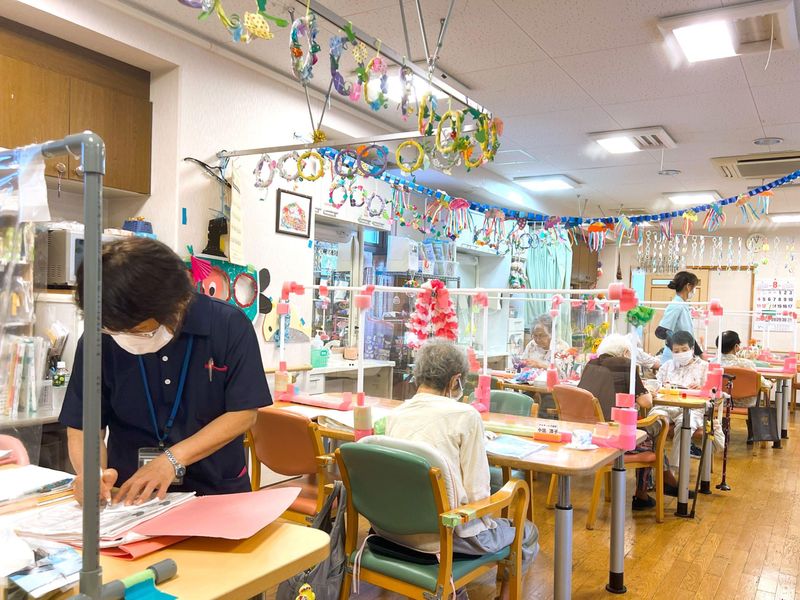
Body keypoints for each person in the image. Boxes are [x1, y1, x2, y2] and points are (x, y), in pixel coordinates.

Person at [60, 238, 271, 506]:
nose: (123, 338)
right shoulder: (101, 338)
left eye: (137, 331)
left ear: (178, 304)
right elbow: (84, 424)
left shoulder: (228, 325)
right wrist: (92, 473)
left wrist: (172, 459)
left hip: (215, 491)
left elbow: (244, 413)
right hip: (131, 494)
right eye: (112, 330)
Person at [384, 339, 538, 568]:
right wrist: (489, 524)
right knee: (528, 531)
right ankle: (504, 585)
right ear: (455, 380)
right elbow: (477, 491)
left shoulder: (396, 415)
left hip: (392, 531)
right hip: (448, 535)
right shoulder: (466, 416)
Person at [577, 334, 682, 508]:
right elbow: (646, 402)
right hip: (614, 436)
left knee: (651, 433)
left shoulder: (591, 364)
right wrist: (648, 392)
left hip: (590, 433)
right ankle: (645, 492)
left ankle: (664, 482)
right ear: (626, 352)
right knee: (655, 432)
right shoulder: (626, 364)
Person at [648, 331, 710, 470]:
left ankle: (674, 469)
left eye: (684, 349)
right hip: (666, 406)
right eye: (676, 351)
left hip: (692, 409)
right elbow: (655, 385)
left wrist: (702, 388)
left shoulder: (704, 367)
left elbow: (712, 393)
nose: (680, 353)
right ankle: (654, 466)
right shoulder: (667, 366)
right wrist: (656, 389)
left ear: (692, 348)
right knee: (653, 421)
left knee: (684, 426)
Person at [655, 271, 699, 362]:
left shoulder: (683, 305)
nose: (695, 290)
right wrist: (678, 346)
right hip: (674, 357)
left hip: (683, 355)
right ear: (688, 286)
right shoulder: (676, 305)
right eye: (694, 287)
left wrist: (700, 353)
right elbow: (661, 331)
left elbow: (688, 334)